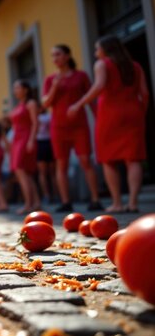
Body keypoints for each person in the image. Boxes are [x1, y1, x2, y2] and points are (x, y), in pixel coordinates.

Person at [68, 35, 149, 213]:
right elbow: (144, 93)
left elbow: (98, 86)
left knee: (108, 159)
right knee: (133, 159)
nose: (96, 53)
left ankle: (117, 203)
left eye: (97, 49)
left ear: (106, 49)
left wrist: (78, 104)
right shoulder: (135, 66)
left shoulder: (102, 64)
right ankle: (133, 202)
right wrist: (140, 112)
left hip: (110, 114)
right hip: (133, 112)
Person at [42, 44, 101, 212]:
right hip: (58, 127)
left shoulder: (81, 76)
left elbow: (90, 98)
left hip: (79, 126)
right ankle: (66, 202)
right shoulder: (50, 80)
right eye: (53, 56)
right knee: (61, 164)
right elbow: (46, 103)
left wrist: (98, 119)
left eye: (58, 54)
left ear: (67, 56)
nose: (55, 58)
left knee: (85, 161)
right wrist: (54, 86)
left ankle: (95, 199)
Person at [10, 80, 41, 214]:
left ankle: (28, 203)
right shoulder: (19, 105)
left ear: (26, 89)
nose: (15, 90)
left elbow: (35, 123)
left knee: (21, 170)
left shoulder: (31, 103)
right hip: (17, 140)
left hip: (25, 138)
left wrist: (31, 140)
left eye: (17, 87)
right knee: (25, 173)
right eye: (14, 88)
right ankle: (36, 202)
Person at [35, 108, 56, 204]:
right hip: (50, 143)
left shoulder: (36, 118)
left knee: (42, 173)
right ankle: (55, 195)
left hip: (41, 143)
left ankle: (46, 195)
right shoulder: (50, 116)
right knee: (52, 173)